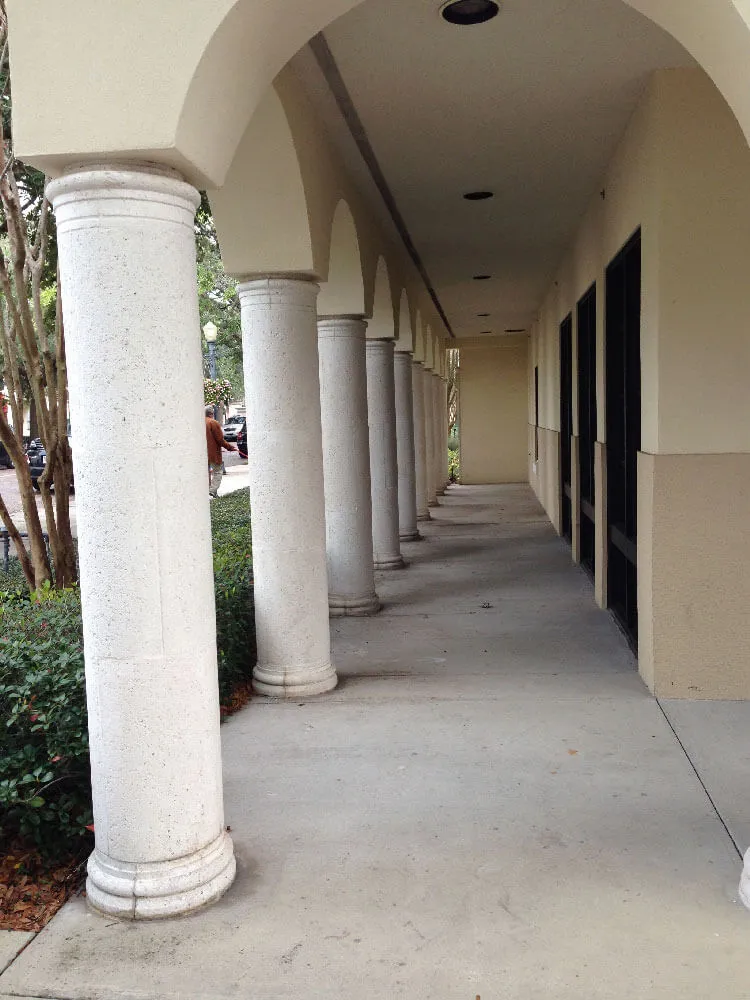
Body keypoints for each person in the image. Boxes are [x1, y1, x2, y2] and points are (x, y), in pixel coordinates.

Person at [205, 405, 237, 498]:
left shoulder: (200, 422)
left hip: (203, 453)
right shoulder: (213, 422)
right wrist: (230, 447)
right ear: (212, 413)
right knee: (217, 471)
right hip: (213, 453)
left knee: (206, 473)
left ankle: (208, 490)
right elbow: (220, 440)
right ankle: (212, 490)